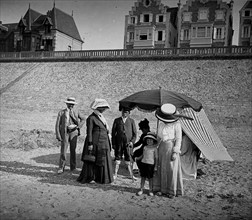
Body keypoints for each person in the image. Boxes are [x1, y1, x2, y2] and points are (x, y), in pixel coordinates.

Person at [153, 103, 192, 198]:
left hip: (171, 148)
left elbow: (179, 139)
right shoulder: (161, 124)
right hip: (162, 148)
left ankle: (171, 191)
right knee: (161, 168)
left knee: (171, 169)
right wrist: (155, 146)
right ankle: (162, 189)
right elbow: (159, 137)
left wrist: (175, 151)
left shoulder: (177, 124)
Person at [77, 98, 114, 184]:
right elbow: (89, 132)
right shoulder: (91, 118)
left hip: (103, 142)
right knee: (92, 160)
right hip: (95, 142)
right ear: (98, 107)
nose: (104, 109)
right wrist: (90, 143)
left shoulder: (101, 117)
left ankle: (101, 178)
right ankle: (91, 177)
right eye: (103, 107)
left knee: (102, 159)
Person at [55, 97, 85, 174]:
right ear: (66, 104)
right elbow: (58, 125)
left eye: (72, 104)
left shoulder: (76, 111)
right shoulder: (61, 112)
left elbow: (83, 119)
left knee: (73, 150)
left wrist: (78, 127)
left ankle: (73, 167)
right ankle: (61, 167)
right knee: (63, 151)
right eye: (69, 104)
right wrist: (58, 134)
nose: (71, 106)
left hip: (73, 133)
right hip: (65, 133)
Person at [111, 107, 137, 180]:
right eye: (123, 112)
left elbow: (135, 134)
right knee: (117, 158)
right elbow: (113, 133)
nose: (124, 113)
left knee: (128, 159)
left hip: (128, 144)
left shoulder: (131, 121)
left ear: (129, 113)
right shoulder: (117, 120)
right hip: (119, 143)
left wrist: (132, 142)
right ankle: (115, 174)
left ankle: (131, 175)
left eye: (126, 112)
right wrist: (113, 143)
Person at [135, 132, 158, 197]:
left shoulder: (155, 148)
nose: (149, 141)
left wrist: (155, 166)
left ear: (153, 141)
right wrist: (138, 158)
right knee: (143, 177)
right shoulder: (145, 147)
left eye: (151, 140)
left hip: (150, 165)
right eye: (148, 140)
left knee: (150, 178)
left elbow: (156, 158)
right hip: (143, 163)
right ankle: (141, 189)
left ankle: (150, 190)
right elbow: (143, 155)